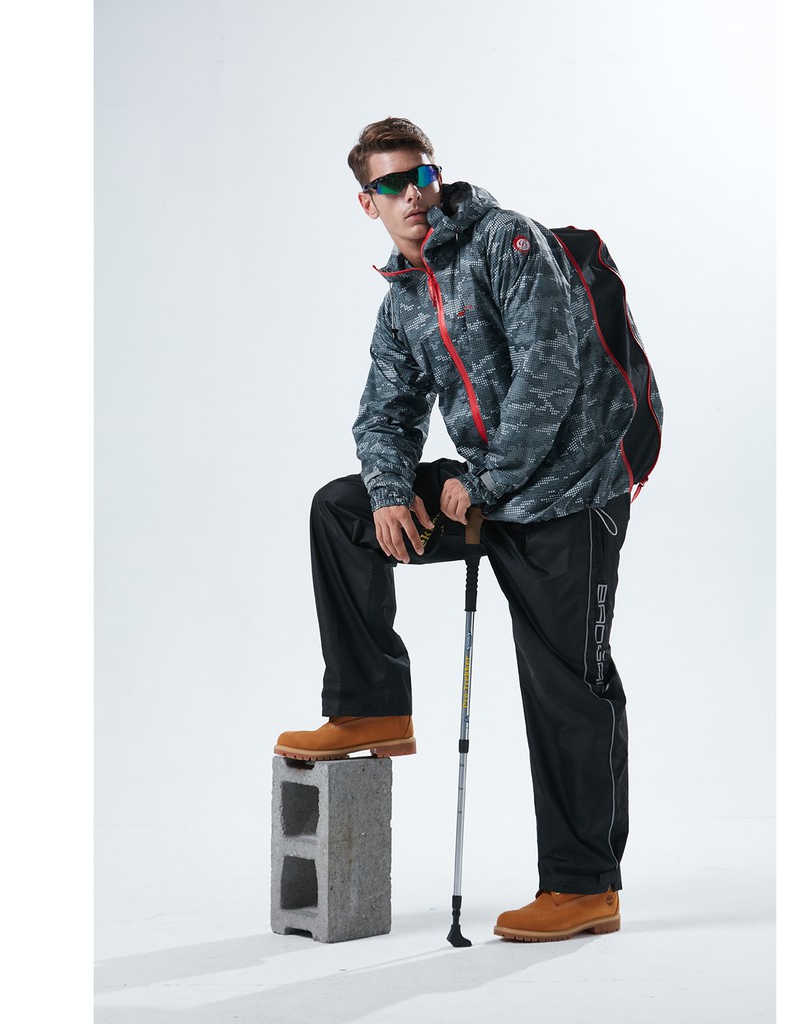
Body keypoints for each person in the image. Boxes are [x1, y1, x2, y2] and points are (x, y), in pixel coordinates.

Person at [275, 117, 662, 942]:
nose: (412, 194)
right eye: (391, 185)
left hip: (569, 493)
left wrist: (481, 480)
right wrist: (390, 493)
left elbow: (551, 375)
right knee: (341, 512)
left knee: (567, 687)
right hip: (487, 494)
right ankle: (371, 705)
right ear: (367, 202)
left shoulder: (506, 243)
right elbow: (384, 414)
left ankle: (584, 886)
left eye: (421, 175)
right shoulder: (403, 300)